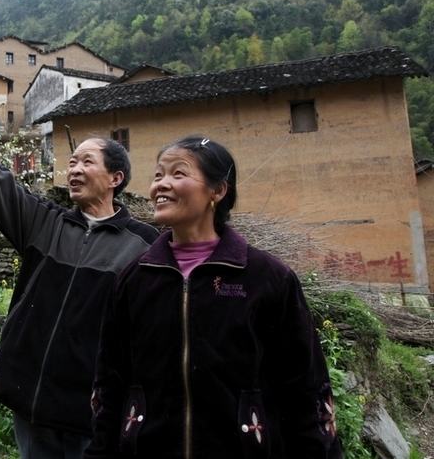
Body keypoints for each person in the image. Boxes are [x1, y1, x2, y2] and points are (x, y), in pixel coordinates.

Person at [0, 82, 159, 459]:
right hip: (32, 403)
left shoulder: (144, 245)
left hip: (93, 414)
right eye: (72, 162)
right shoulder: (45, 223)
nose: (74, 169)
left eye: (87, 162)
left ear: (115, 178)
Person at [84, 136, 343, 458]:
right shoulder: (135, 280)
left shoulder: (268, 279)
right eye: (158, 175)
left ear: (218, 190)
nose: (162, 185)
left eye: (178, 174)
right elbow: (110, 384)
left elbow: (304, 389)